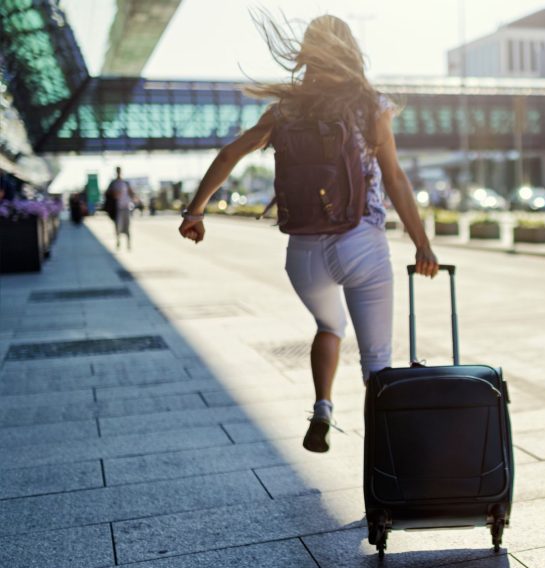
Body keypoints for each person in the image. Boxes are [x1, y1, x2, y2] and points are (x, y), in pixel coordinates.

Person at [177, 13, 439, 453]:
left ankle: (322, 406)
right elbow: (394, 178)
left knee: (328, 324)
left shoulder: (284, 109)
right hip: (361, 243)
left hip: (304, 253)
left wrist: (195, 211)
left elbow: (228, 156)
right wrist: (422, 243)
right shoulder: (369, 104)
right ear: (350, 50)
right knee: (377, 365)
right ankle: (386, 470)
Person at [105, 167, 135, 250]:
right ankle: (118, 241)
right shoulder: (113, 183)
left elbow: (132, 193)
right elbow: (107, 194)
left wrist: (132, 198)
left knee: (127, 226)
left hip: (126, 207)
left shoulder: (125, 183)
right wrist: (114, 194)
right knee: (118, 227)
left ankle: (128, 243)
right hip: (118, 208)